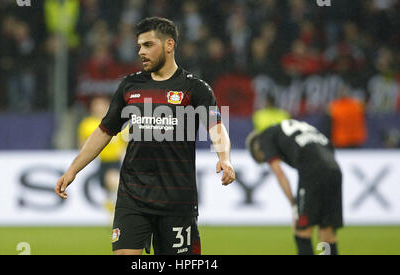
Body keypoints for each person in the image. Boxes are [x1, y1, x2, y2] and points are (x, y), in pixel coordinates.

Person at [55, 17, 235, 255]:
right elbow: (104, 131)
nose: (141, 51)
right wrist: (73, 169)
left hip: (177, 199)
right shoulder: (130, 86)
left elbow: (216, 126)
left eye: (148, 45)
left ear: (170, 45)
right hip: (133, 196)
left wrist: (224, 157)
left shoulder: (195, 88)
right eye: (139, 46)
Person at [246, 119, 343, 255]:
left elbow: (279, 173)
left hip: (312, 172)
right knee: (327, 234)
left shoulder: (264, 137)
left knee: (302, 231)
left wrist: (293, 203)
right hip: (334, 170)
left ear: (256, 148)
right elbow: (329, 148)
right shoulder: (296, 128)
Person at [78, 95, 128, 216]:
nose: (98, 108)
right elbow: (82, 143)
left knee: (112, 180)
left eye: (101, 105)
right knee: (106, 187)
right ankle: (114, 209)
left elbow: (126, 141)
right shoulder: (87, 124)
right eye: (96, 105)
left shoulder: (116, 121)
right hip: (99, 161)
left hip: (114, 160)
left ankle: (123, 203)